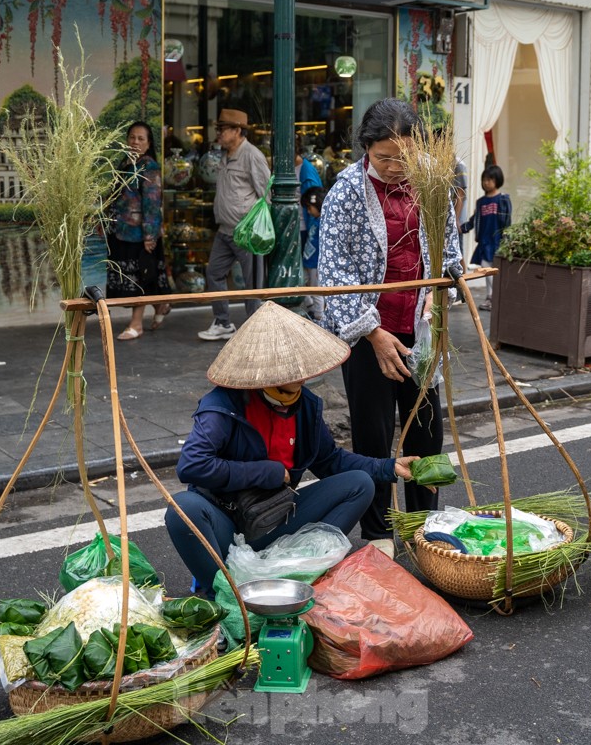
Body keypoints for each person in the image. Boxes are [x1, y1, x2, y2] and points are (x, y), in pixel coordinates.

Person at [165, 301, 417, 592]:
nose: (294, 389)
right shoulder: (222, 406)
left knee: (360, 484)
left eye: (298, 381)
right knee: (181, 508)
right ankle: (223, 593)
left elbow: (330, 460)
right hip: (227, 523)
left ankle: (295, 574)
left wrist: (387, 466)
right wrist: (267, 472)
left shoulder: (306, 406)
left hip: (276, 516)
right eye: (285, 385)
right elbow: (192, 466)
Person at [318, 98, 463, 556]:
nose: (397, 167)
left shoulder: (431, 184)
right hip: (369, 333)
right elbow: (332, 270)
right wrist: (372, 332)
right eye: (385, 158)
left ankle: (426, 527)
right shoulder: (346, 192)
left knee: (426, 429)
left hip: (420, 327)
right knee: (374, 434)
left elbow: (450, 248)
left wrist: (447, 289)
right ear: (366, 149)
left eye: (405, 156)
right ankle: (379, 532)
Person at [198, 108, 271, 342]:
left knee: (253, 285)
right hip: (225, 230)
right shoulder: (224, 155)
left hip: (246, 232)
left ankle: (254, 330)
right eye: (218, 129)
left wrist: (257, 227)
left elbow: (266, 194)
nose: (218, 133)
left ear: (237, 131)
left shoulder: (252, 155)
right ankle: (222, 322)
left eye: (222, 129)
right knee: (214, 273)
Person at [106, 121, 170, 340]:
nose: (135, 142)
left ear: (148, 143)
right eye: (132, 137)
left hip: (139, 235)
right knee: (142, 276)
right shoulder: (124, 163)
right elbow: (114, 197)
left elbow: (152, 204)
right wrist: (103, 220)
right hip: (120, 231)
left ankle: (136, 324)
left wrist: (150, 235)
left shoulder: (149, 167)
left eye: (141, 138)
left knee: (138, 279)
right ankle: (160, 305)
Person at [461, 164, 512, 310]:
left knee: (491, 269)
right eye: (484, 179)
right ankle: (492, 297)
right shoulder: (481, 202)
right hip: (484, 241)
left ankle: (493, 297)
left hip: (497, 241)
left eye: (490, 179)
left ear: (498, 180)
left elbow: (508, 221)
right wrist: (463, 227)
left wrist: (507, 240)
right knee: (486, 268)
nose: (486, 182)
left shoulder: (503, 200)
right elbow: (474, 219)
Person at [297, 148, 326, 321]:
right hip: (309, 259)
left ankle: (320, 317)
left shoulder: (322, 222)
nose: (308, 211)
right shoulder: (314, 220)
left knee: (316, 290)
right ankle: (311, 309)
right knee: (305, 285)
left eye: (309, 207)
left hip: (316, 261)